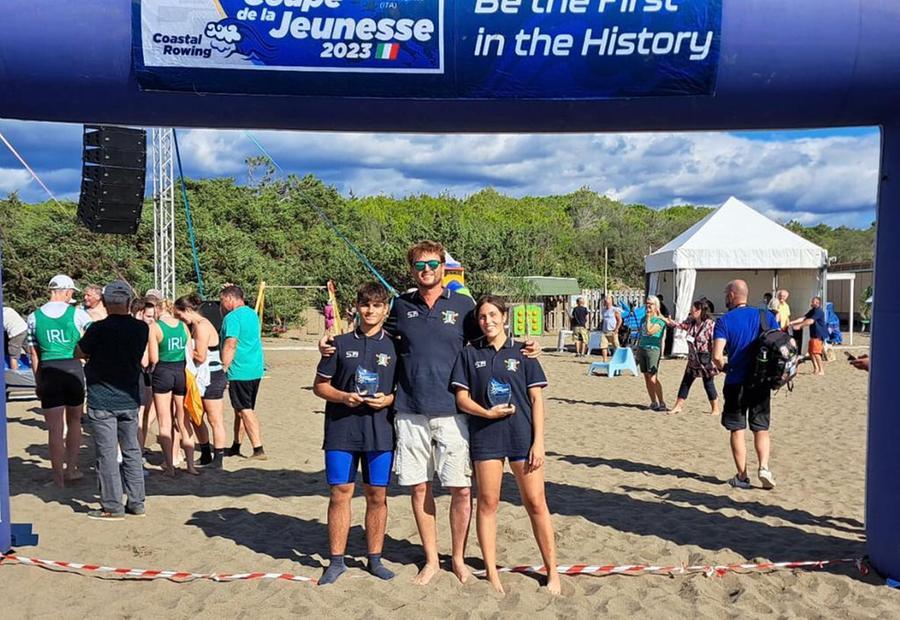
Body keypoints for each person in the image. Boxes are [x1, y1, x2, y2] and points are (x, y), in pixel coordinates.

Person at [318, 240, 539, 585]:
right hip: (409, 410)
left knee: (461, 491)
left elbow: (488, 336)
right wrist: (331, 343)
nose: (426, 271)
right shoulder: (400, 306)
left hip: (453, 410)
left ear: (442, 267)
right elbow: (370, 332)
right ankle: (433, 560)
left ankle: (459, 559)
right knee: (420, 489)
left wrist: (525, 346)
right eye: (420, 265)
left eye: (432, 264)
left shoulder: (464, 305)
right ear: (412, 269)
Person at [451, 295, 560, 595]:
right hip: (486, 436)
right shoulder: (470, 354)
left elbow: (537, 399)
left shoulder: (523, 352)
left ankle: (553, 572)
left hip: (522, 438)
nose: (488, 321)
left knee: (536, 503)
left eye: (493, 315)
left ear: (504, 317)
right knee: (488, 503)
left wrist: (538, 442)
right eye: (482, 317)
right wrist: (485, 412)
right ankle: (491, 572)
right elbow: (461, 398)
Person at [313, 282, 398, 585]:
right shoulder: (338, 343)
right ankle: (336, 561)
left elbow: (405, 389)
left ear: (385, 309)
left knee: (377, 495)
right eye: (365, 305)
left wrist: (390, 399)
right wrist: (343, 397)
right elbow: (319, 386)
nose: (371, 310)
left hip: (380, 431)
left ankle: (374, 559)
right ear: (357, 307)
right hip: (342, 430)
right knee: (340, 494)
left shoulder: (395, 346)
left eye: (377, 305)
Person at [75, 281, 148, 520]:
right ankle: (137, 502)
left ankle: (112, 506)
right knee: (132, 451)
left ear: (105, 302)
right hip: (129, 397)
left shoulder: (98, 329)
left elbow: (79, 352)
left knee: (106, 454)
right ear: (128, 302)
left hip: (102, 398)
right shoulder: (141, 329)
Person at [712, 279, 779, 490]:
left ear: (732, 295)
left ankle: (742, 476)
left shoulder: (724, 321)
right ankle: (764, 467)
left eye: (726, 293)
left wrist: (724, 366)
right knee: (761, 428)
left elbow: (716, 356)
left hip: (736, 380)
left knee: (737, 429)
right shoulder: (765, 316)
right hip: (761, 381)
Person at [27, 275, 92, 487]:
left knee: (54, 428)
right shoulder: (78, 314)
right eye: (71, 293)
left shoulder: (33, 317)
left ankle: (57, 479)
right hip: (73, 370)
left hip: (48, 371)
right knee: (74, 421)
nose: (72, 296)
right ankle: (71, 469)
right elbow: (93, 339)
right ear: (64, 291)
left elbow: (34, 355)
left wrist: (38, 382)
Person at [174, 293, 228, 469]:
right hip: (202, 375)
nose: (179, 319)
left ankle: (218, 457)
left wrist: (185, 349)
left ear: (188, 310)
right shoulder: (197, 326)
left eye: (180, 314)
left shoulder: (202, 327)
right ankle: (205, 453)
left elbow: (201, 355)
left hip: (211, 375)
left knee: (215, 418)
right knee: (196, 415)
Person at [148, 299, 198, 476]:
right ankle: (190, 465)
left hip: (163, 371)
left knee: (164, 421)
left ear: (158, 310)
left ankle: (170, 466)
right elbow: (190, 352)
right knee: (183, 420)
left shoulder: (155, 327)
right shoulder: (183, 326)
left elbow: (154, 358)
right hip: (181, 371)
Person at [220, 284, 267, 460]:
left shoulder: (232, 318)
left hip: (240, 370)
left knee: (245, 409)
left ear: (230, 299)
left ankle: (258, 448)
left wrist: (223, 368)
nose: (222, 304)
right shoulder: (251, 314)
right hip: (255, 368)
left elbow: (231, 343)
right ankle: (236, 445)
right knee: (240, 409)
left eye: (222, 300)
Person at [664, 298, 719, 416]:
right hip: (693, 359)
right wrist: (669, 321)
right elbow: (680, 325)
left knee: (708, 384)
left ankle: (715, 408)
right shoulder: (690, 321)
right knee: (686, 382)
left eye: (693, 309)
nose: (691, 311)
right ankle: (678, 406)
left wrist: (715, 357)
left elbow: (714, 341)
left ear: (700, 311)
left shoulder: (710, 324)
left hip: (705, 360)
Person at [132, 298, 157, 455]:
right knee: (138, 417)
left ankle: (139, 448)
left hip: (146, 376)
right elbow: (145, 360)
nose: (152, 320)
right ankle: (137, 452)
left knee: (146, 413)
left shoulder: (148, 330)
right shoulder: (138, 331)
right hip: (137, 376)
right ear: (139, 314)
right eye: (149, 316)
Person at [637, 296, 667, 411]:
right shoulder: (643, 318)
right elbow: (642, 334)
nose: (648, 306)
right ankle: (653, 401)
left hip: (653, 349)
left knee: (653, 377)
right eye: (647, 304)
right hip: (642, 347)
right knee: (646, 376)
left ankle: (662, 402)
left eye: (651, 304)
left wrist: (649, 318)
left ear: (656, 306)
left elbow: (650, 331)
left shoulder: (659, 320)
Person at [789, 296, 827, 376]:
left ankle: (821, 370)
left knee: (816, 353)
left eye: (813, 301)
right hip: (812, 335)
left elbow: (810, 321)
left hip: (818, 335)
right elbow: (803, 318)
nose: (811, 303)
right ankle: (816, 369)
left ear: (817, 303)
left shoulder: (819, 311)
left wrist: (800, 326)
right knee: (811, 352)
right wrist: (792, 323)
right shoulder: (812, 311)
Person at [3, 305, 28, 370]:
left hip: (16, 333)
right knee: (30, 351)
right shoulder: (8, 309)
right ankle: (37, 369)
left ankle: (15, 374)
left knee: (13, 356)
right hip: (25, 328)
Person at [599, 296, 622, 362]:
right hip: (604, 331)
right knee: (603, 346)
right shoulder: (603, 310)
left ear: (611, 302)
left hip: (612, 331)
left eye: (608, 302)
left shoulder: (614, 310)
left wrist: (616, 329)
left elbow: (619, 320)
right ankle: (604, 360)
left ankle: (618, 359)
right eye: (605, 302)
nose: (607, 303)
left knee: (616, 346)